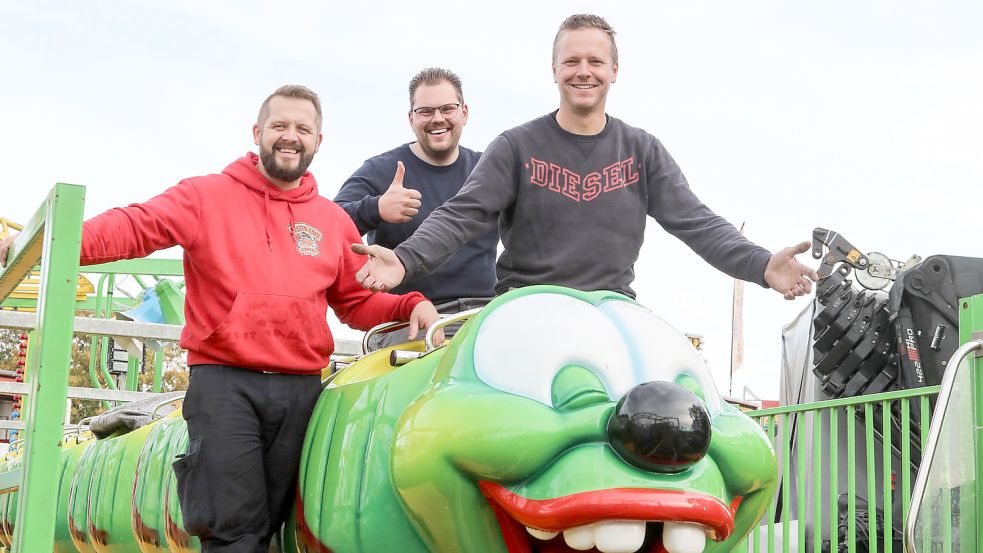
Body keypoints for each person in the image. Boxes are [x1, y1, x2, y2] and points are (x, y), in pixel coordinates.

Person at [1, 85, 439, 552]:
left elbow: (355, 301)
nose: (290, 137)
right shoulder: (206, 196)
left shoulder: (332, 222)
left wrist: (407, 305)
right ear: (257, 133)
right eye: (280, 126)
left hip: (301, 388)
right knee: (233, 528)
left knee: (274, 528)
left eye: (302, 129)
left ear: (318, 140)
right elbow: (135, 226)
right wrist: (51, 241)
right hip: (226, 382)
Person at [352, 14, 819, 302]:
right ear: (554, 70)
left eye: (595, 61)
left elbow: (696, 222)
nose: (583, 71)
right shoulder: (516, 146)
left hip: (611, 309)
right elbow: (461, 214)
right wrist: (404, 259)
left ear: (614, 70)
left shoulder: (642, 150)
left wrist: (761, 266)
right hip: (524, 309)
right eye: (571, 61)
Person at [334, 68, 497, 346]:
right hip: (408, 319)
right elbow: (327, 225)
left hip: (483, 314)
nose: (437, 119)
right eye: (425, 111)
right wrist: (376, 208)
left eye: (448, 108)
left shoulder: (488, 170)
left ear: (464, 113)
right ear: (411, 118)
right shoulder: (381, 169)